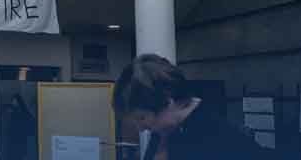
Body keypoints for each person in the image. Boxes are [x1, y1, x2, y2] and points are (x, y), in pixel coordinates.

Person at [113, 55, 272, 160]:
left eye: (142, 118)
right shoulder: (164, 130)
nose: (141, 128)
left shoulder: (218, 137)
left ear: (168, 102)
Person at [0, 95, 35, 160]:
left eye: (14, 101)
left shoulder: (20, 113)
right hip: (15, 141)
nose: (13, 103)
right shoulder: (15, 112)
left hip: (18, 141)